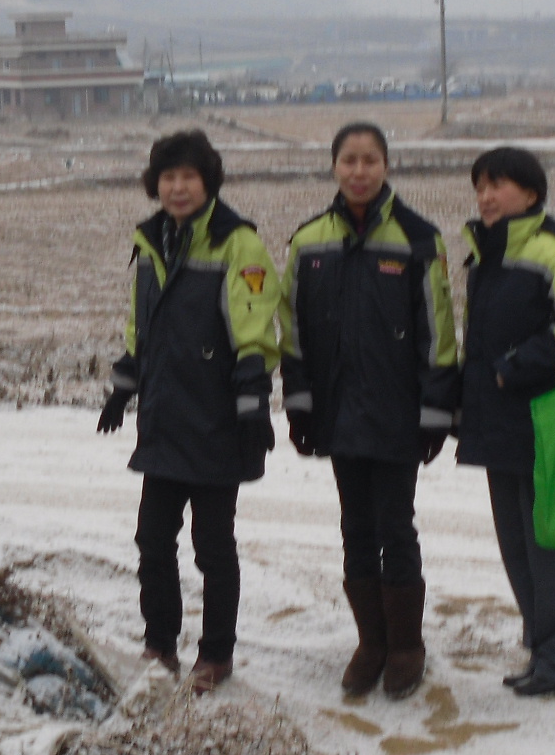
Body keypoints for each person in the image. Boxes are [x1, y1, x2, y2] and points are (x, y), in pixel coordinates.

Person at [277, 122, 459, 699]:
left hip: (397, 412)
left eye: (370, 160)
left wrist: (436, 409)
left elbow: (439, 332)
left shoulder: (418, 238)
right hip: (336, 411)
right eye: (349, 160)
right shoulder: (308, 242)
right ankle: (370, 642)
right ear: (334, 166)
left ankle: (406, 646)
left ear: (386, 165)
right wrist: (299, 404)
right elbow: (292, 331)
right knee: (354, 527)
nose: (359, 172)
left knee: (395, 527)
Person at [97, 129, 279, 695]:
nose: (178, 188)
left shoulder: (237, 244)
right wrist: (123, 387)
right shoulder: (152, 241)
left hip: (217, 421)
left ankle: (216, 654)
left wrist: (252, 403)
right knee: (152, 541)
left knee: (213, 547)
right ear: (156, 184)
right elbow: (142, 327)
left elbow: (254, 330)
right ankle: (159, 644)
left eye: (189, 177)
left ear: (208, 182)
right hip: (164, 418)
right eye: (168, 177)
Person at [455, 146, 555, 698]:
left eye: (498, 185)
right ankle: (544, 648)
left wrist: (513, 368)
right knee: (518, 545)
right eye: (480, 187)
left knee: (553, 543)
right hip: (500, 422)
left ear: (532, 194)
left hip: (546, 419)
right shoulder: (487, 254)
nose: (486, 197)